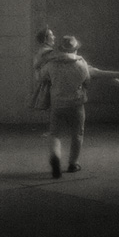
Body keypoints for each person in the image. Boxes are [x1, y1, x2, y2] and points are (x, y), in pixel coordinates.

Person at [38, 35, 91, 178]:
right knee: (77, 134)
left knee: (55, 134)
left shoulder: (52, 64)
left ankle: (55, 157)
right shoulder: (81, 63)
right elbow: (87, 81)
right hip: (76, 104)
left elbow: (42, 77)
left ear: (61, 49)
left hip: (57, 104)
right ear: (75, 49)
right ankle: (73, 164)